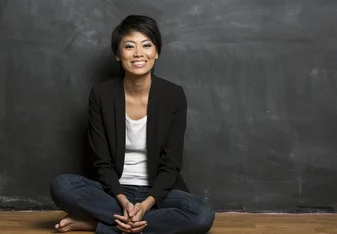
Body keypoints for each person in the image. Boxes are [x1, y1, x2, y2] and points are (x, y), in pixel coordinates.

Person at [50, 15, 215, 234]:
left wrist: (146, 204)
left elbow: (171, 164)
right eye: (129, 46)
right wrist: (123, 200)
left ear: (156, 52)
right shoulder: (102, 95)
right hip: (113, 191)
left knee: (202, 214)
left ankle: (97, 225)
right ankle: (131, 223)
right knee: (61, 185)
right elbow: (102, 163)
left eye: (146, 45)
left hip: (157, 193)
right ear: (118, 55)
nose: (138, 53)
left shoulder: (173, 95)